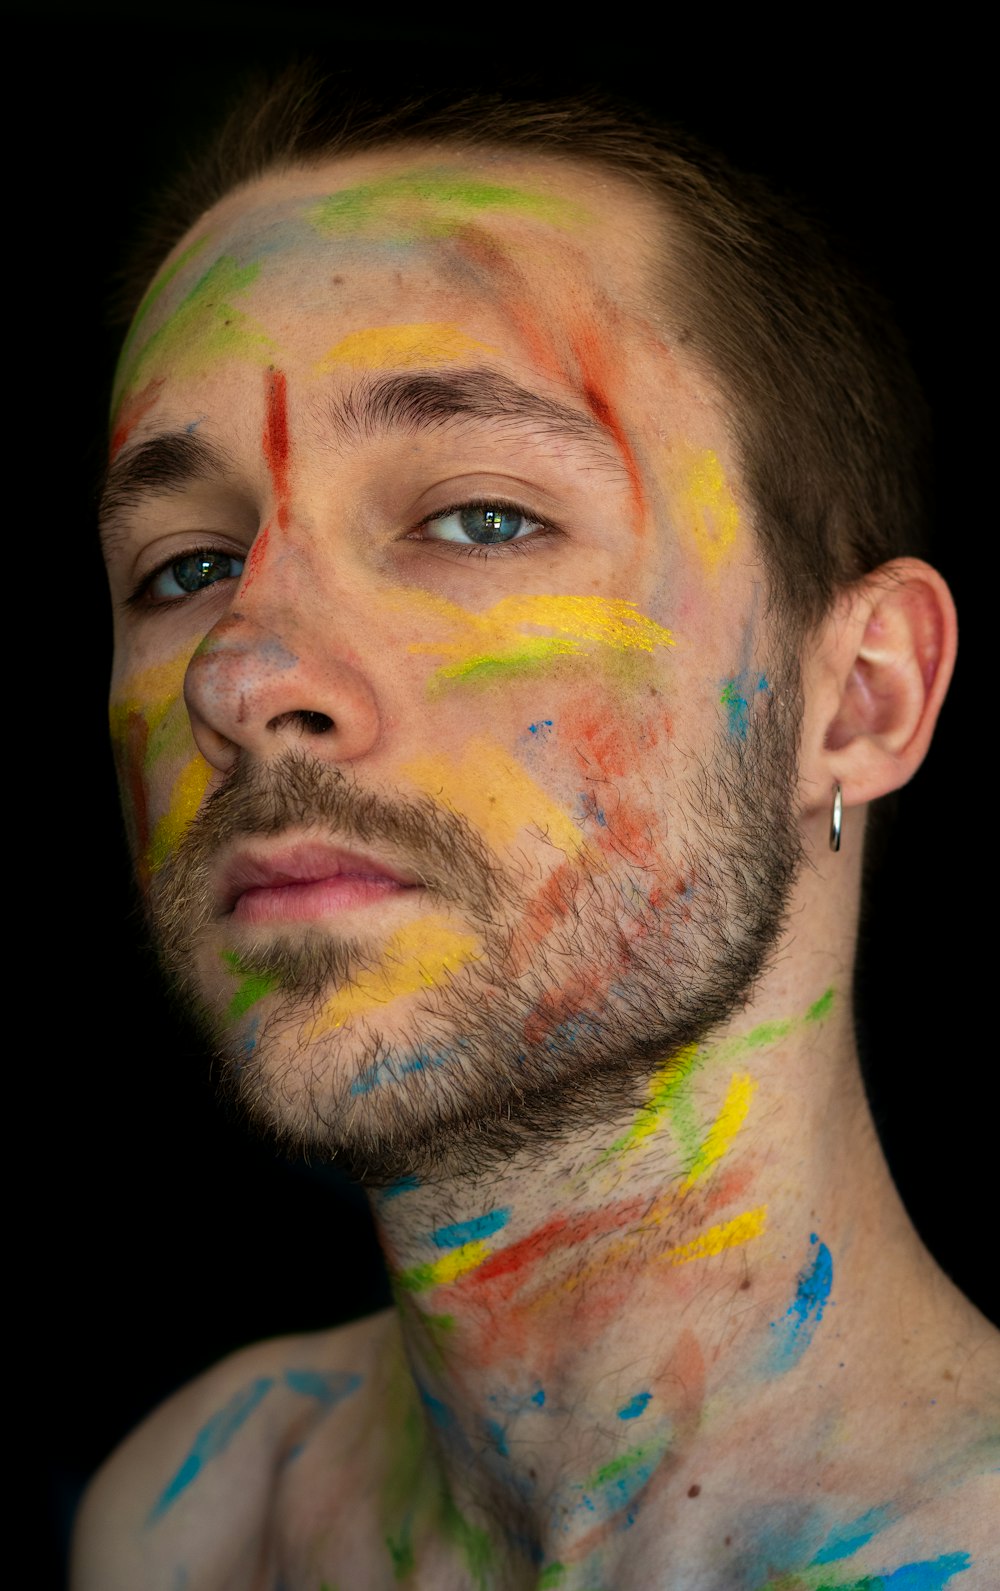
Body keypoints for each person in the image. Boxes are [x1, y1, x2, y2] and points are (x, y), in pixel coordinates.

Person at [72, 71, 997, 1590]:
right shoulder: (194, 1518)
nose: (240, 679)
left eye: (479, 518)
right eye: (182, 566)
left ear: (862, 700)